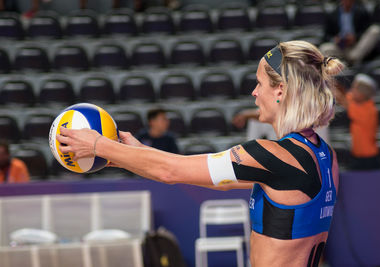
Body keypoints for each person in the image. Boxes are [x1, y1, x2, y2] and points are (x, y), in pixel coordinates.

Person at [56, 40, 343, 266]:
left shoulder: (269, 155)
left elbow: (171, 171)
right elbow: (193, 174)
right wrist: (132, 153)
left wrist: (97, 145)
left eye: (259, 84)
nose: (254, 93)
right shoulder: (325, 155)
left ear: (280, 91)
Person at [336, 73, 380, 170]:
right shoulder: (358, 102)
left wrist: (334, 90)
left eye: (355, 90)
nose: (352, 92)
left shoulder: (370, 110)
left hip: (369, 159)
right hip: (356, 156)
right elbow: (344, 96)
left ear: (363, 94)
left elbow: (345, 102)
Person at [320, 0, 380, 65]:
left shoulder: (361, 11)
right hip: (340, 47)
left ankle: (353, 59)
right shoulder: (332, 14)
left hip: (357, 47)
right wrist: (335, 39)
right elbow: (326, 36)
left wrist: (355, 37)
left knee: (375, 30)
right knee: (324, 48)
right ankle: (345, 63)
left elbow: (365, 30)